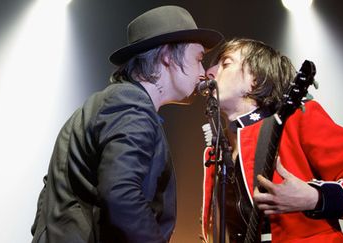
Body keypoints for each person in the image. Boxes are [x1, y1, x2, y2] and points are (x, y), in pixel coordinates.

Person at [30, 5, 223, 243]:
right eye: (199, 59)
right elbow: (120, 194)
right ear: (167, 56)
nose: (203, 73)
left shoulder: (112, 102)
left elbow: (50, 190)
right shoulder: (129, 103)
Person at [200, 38, 343, 242]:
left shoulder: (297, 119)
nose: (209, 71)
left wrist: (315, 197)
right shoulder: (216, 154)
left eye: (226, 63)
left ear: (256, 78)